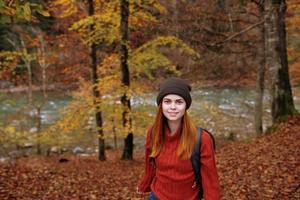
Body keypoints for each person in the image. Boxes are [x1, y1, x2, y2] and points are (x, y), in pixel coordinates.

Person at [137, 77, 221, 200]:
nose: (172, 107)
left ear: (186, 105)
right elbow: (150, 163)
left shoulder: (201, 138)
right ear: (161, 104)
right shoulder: (153, 132)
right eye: (167, 101)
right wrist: (145, 183)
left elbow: (210, 180)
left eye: (179, 102)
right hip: (157, 196)